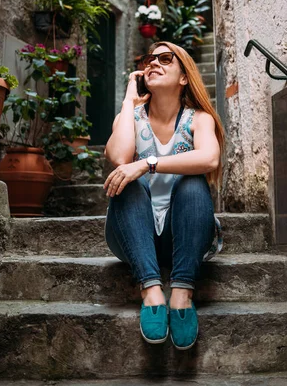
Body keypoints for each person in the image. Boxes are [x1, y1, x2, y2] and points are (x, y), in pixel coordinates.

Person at [104, 41, 224, 350]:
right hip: (134, 237)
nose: (153, 63)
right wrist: (129, 103)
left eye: (165, 58)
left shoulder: (199, 119)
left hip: (183, 235)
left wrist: (148, 163)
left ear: (184, 77)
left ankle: (182, 294)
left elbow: (210, 159)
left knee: (193, 183)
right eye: (148, 60)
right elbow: (118, 157)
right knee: (128, 178)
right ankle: (152, 291)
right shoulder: (130, 116)